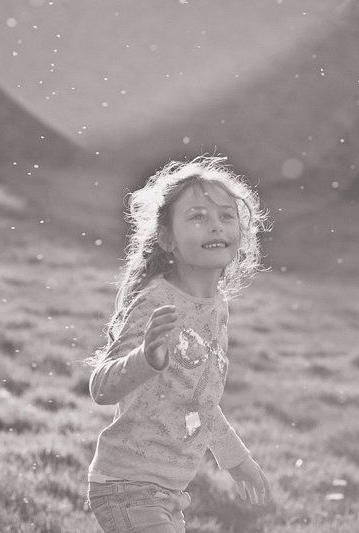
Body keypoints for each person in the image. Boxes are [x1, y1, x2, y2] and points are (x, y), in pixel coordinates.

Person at [85, 156, 272, 533]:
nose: (215, 225)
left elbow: (201, 403)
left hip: (169, 490)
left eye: (225, 215)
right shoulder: (158, 302)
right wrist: (146, 358)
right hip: (129, 485)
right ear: (167, 238)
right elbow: (102, 388)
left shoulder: (216, 308)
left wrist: (238, 461)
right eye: (198, 216)